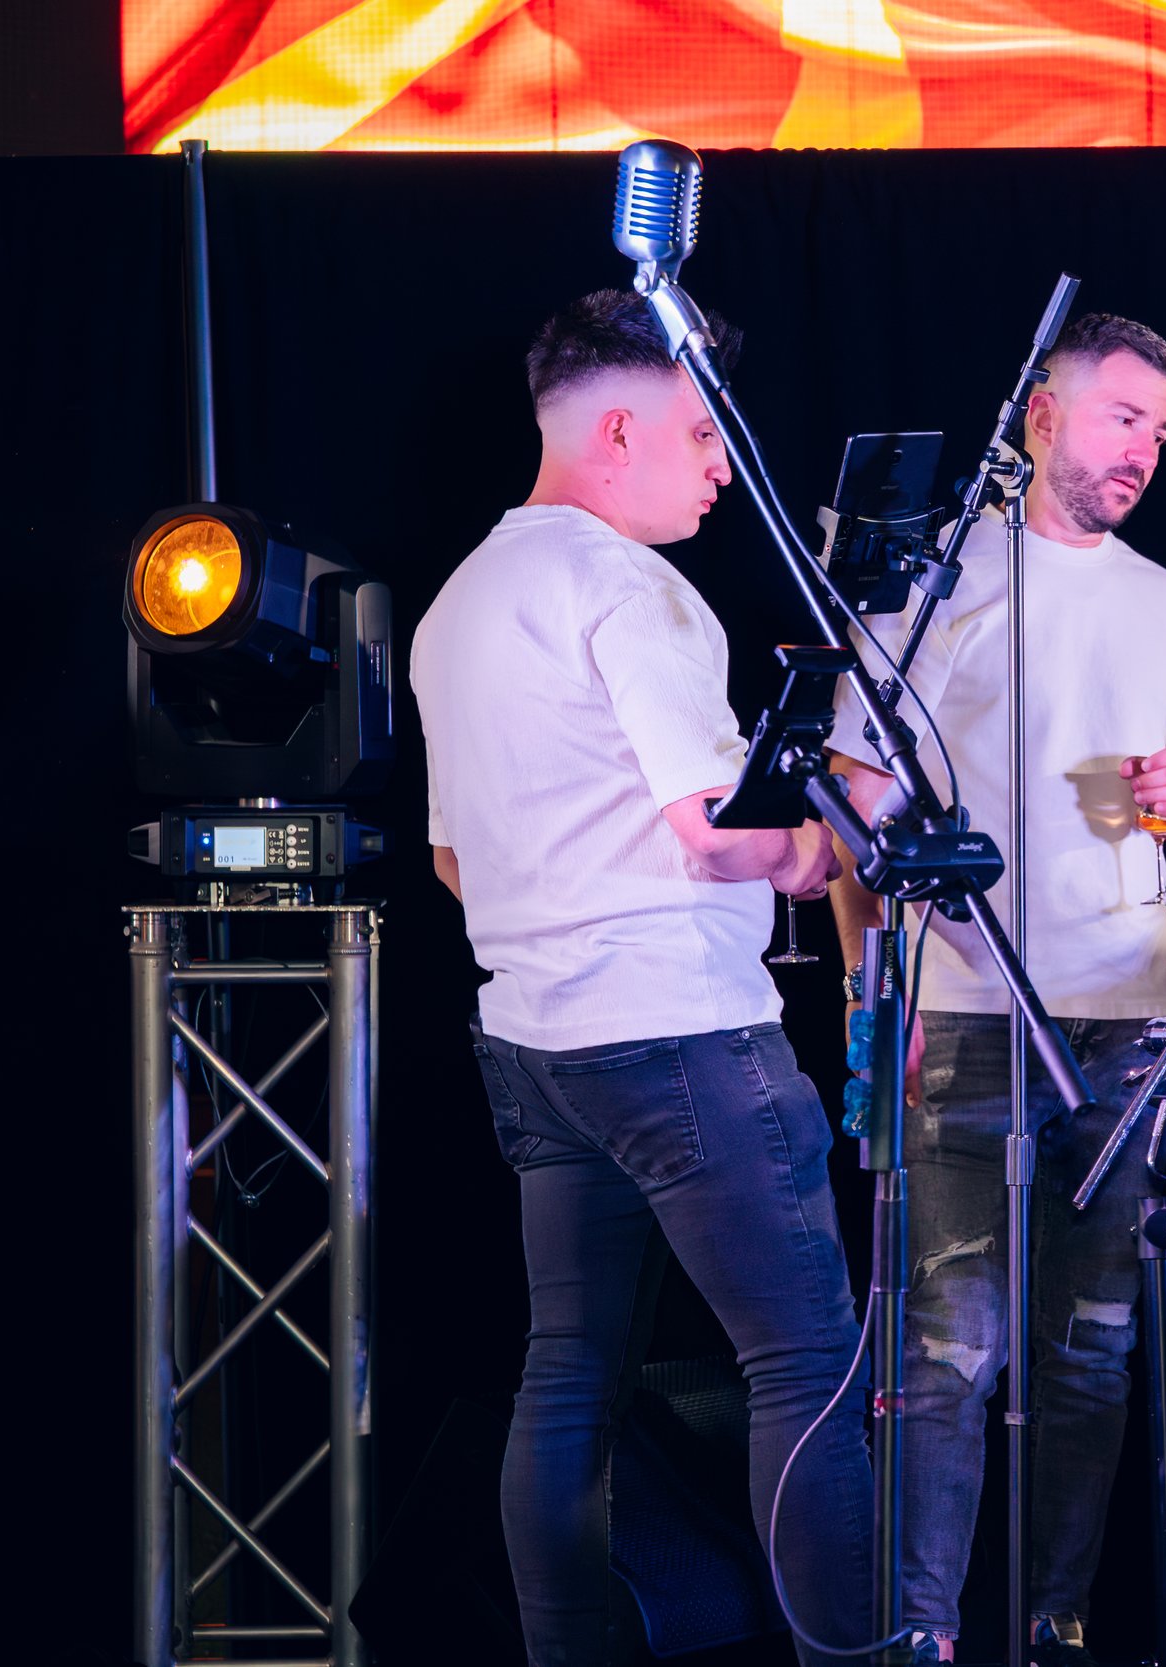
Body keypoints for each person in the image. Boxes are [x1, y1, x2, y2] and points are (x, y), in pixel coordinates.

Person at [412, 290, 872, 1667]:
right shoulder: (628, 584)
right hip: (680, 1039)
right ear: (619, 429)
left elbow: (449, 858)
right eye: (700, 432)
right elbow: (716, 834)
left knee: (570, 1371)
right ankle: (859, 1652)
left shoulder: (462, 598)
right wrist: (818, 845)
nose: (723, 465)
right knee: (808, 1362)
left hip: (538, 1048)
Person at [822, 313, 1166, 1667]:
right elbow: (849, 805)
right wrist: (859, 989)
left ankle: (1057, 1624)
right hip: (963, 1010)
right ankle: (922, 1633)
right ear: (1044, 416)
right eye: (1124, 418)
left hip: (1124, 1022)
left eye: (1162, 433)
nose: (1145, 451)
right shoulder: (943, 580)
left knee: (1089, 1353)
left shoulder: (1163, 598)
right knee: (949, 1354)